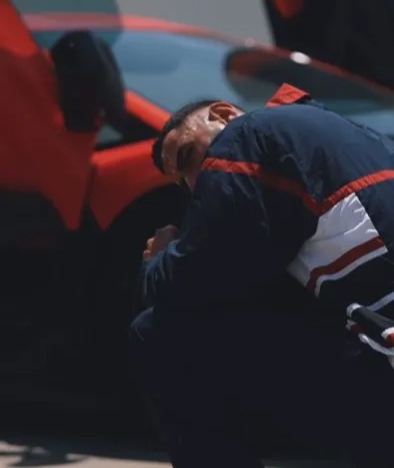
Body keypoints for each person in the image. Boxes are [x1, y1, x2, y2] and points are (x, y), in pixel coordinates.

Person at [129, 84, 394, 467]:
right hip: (375, 340)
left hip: (380, 356)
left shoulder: (245, 136)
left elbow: (195, 278)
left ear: (223, 114)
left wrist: (156, 259)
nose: (192, 182)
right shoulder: (349, 133)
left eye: (187, 156)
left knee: (158, 331)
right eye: (181, 180)